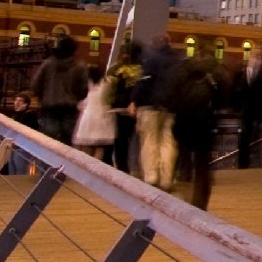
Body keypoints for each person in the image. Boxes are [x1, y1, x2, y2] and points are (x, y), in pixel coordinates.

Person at [166, 50, 226, 208]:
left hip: (183, 124)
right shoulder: (214, 76)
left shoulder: (180, 73)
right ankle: (200, 204)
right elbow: (224, 100)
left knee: (182, 162)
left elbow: (169, 100)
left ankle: (183, 198)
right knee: (203, 167)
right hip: (205, 126)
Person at [131, 35, 183, 189]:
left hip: (150, 106)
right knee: (168, 142)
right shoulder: (177, 60)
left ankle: (152, 176)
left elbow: (144, 81)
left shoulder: (150, 59)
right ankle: (167, 178)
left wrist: (134, 99)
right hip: (170, 107)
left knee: (150, 141)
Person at [25, 36, 87, 144]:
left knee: (47, 144)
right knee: (67, 146)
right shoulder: (80, 66)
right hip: (69, 110)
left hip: (49, 108)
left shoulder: (48, 64)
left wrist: (43, 96)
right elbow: (83, 89)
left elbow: (35, 86)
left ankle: (46, 161)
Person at [104, 43, 146, 171]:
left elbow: (109, 89)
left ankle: (122, 167)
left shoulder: (115, 68)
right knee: (137, 139)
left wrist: (108, 104)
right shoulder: (143, 69)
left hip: (118, 109)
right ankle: (136, 167)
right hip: (138, 109)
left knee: (120, 140)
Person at [232, 54, 262, 168]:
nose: (257, 61)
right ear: (249, 60)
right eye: (255, 58)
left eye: (259, 59)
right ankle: (243, 165)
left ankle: (256, 164)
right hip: (244, 113)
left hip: (258, 113)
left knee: (258, 139)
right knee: (244, 140)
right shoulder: (240, 74)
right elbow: (233, 92)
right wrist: (235, 108)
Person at [71, 65, 117, 160]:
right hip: (102, 117)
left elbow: (83, 100)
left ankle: (86, 169)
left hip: (88, 117)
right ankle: (96, 169)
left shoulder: (88, 84)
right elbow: (109, 99)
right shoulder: (107, 83)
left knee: (86, 149)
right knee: (100, 147)